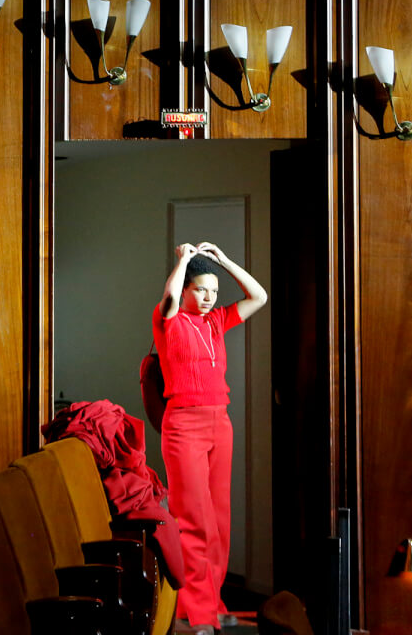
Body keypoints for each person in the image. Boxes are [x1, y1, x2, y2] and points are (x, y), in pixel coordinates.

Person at [152, 241, 269, 635]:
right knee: (193, 520)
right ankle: (195, 610)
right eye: (200, 289)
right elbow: (169, 296)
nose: (207, 298)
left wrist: (224, 261)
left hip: (220, 423)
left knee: (218, 521)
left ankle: (212, 604)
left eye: (213, 292)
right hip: (183, 426)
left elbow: (259, 295)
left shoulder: (216, 322)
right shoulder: (168, 319)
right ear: (186, 288)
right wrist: (184, 259)